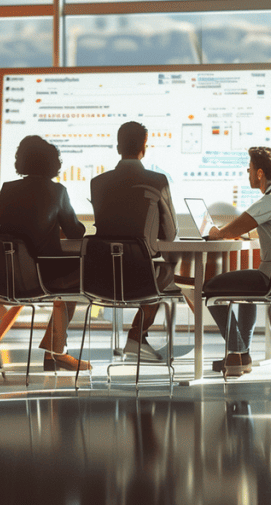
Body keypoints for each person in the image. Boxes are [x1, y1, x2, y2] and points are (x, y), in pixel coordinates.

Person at [205, 146, 271, 377]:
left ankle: (236, 350)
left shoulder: (269, 200)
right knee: (243, 292)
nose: (247, 172)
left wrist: (215, 232)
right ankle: (242, 354)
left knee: (209, 290)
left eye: (249, 168)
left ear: (260, 173)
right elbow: (254, 229)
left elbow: (231, 229)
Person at [0, 135, 91, 371]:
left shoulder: (7, 190)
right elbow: (75, 233)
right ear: (52, 162)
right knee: (79, 277)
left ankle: (54, 351)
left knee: (69, 282)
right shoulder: (57, 191)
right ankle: (56, 351)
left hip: (10, 277)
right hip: (43, 275)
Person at [90, 120, 179, 363]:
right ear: (144, 148)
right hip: (143, 280)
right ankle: (136, 335)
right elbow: (170, 235)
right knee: (169, 269)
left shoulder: (97, 182)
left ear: (118, 147)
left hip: (102, 279)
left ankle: (137, 338)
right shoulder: (158, 180)